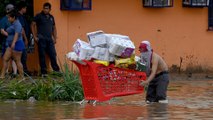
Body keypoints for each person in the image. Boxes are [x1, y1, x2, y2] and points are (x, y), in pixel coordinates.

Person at [31, 2, 60, 77]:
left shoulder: (51, 17)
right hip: (41, 39)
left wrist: (55, 37)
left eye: (47, 8)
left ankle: (56, 71)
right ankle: (44, 72)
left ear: (50, 9)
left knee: (53, 54)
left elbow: (54, 28)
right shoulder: (39, 16)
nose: (45, 10)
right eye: (44, 8)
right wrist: (34, 36)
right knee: (42, 55)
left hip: (50, 39)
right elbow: (32, 25)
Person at [0, 10, 25, 79]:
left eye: (9, 18)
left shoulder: (17, 24)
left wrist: (13, 43)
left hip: (17, 44)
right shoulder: (13, 24)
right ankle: (2, 76)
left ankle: (22, 77)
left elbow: (17, 34)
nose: (8, 19)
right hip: (10, 45)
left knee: (17, 61)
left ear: (13, 17)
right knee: (5, 58)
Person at [0, 4, 18, 77]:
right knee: (6, 57)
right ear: (8, 10)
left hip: (14, 41)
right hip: (7, 41)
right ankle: (6, 72)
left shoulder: (14, 19)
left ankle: (15, 73)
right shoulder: (3, 20)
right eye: (11, 9)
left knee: (14, 57)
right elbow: (2, 31)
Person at [17, 1, 31, 76]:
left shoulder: (20, 16)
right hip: (21, 39)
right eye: (25, 8)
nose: (26, 9)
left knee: (22, 56)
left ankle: (23, 71)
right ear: (22, 8)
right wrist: (25, 39)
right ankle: (24, 71)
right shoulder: (20, 17)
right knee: (23, 56)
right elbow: (22, 29)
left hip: (20, 39)